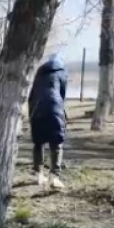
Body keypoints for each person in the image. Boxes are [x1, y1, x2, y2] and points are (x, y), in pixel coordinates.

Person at [27, 51, 68, 190]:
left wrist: (31, 114)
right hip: (55, 108)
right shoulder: (62, 72)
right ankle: (54, 176)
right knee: (56, 143)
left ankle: (38, 174)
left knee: (38, 142)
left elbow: (32, 95)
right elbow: (62, 95)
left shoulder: (39, 73)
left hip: (37, 108)